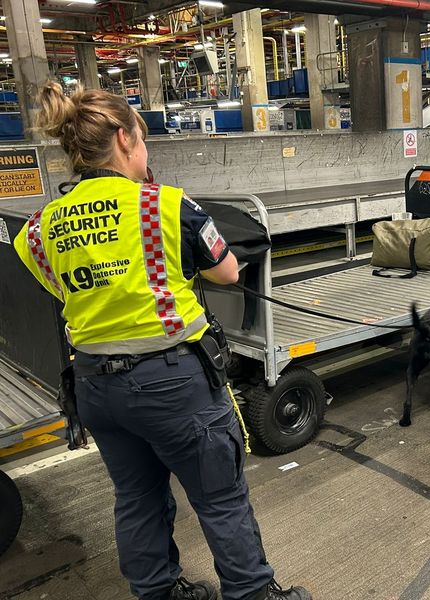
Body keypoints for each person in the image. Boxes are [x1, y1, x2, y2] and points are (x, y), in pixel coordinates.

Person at [13, 81, 312, 600]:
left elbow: (62, 285)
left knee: (136, 496)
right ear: (126, 140)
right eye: (144, 140)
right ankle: (252, 594)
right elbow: (225, 272)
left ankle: (158, 592)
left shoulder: (38, 229)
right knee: (220, 498)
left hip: (95, 390)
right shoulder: (167, 207)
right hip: (174, 385)